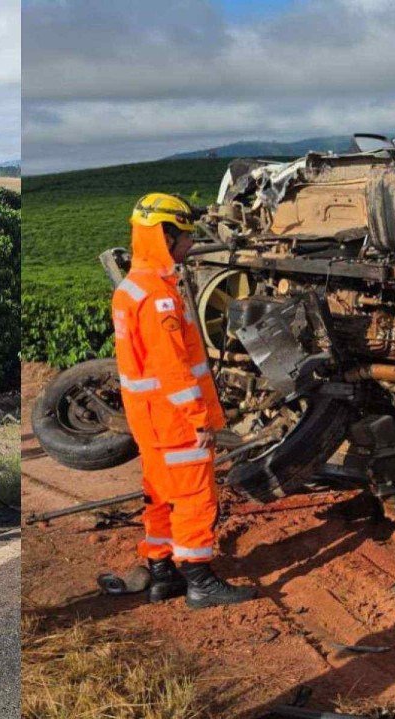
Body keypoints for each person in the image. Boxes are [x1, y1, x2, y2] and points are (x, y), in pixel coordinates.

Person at [107, 192, 255, 609]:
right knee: (194, 497)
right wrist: (198, 418)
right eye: (186, 236)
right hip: (174, 419)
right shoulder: (159, 298)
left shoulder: (132, 288)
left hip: (149, 419)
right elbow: (174, 369)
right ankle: (199, 579)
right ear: (165, 236)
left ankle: (162, 572)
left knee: (159, 493)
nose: (191, 244)